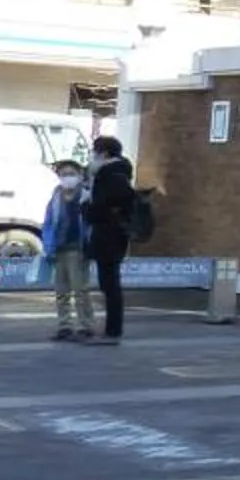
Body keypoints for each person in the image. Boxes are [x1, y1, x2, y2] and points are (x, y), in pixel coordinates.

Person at [82, 134, 136, 347]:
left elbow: (99, 209)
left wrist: (85, 206)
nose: (92, 156)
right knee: (110, 283)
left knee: (110, 284)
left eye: (94, 152)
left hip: (108, 236)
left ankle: (113, 331)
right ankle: (112, 329)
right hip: (115, 235)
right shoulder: (121, 173)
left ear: (104, 153)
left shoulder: (110, 176)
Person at [43, 158, 95, 341]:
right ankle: (64, 325)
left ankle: (85, 325)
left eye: (71, 174)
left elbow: (91, 224)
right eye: (64, 174)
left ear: (80, 176)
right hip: (59, 249)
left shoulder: (86, 196)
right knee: (61, 291)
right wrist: (48, 246)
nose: (67, 178)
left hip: (78, 249)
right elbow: (49, 223)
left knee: (80, 290)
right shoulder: (55, 197)